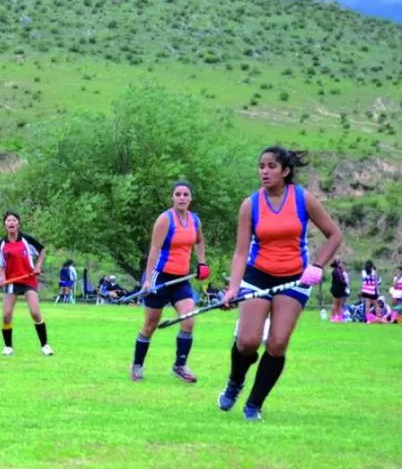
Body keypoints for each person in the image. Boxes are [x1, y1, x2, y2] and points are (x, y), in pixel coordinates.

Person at [218, 147, 342, 421]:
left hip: (295, 277)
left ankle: (254, 405)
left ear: (285, 171)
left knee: (277, 344)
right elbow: (240, 252)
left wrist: (317, 265)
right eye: (261, 165)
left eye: (271, 166)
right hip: (258, 274)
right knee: (248, 340)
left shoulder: (303, 199)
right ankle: (235, 381)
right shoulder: (250, 204)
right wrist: (232, 288)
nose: (264, 171)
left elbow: (334, 235)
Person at [130, 181, 210, 383]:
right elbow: (154, 251)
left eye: (186, 194)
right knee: (150, 325)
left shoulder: (195, 220)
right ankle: (137, 365)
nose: (182, 197)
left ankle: (180, 366)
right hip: (160, 277)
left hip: (181, 280)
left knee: (189, 320)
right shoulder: (165, 220)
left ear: (191, 198)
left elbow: (199, 242)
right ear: (172, 197)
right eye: (178, 194)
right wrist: (147, 280)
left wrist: (202, 263)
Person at [0, 211, 53, 356]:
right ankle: (8, 347)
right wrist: (2, 277)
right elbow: (1, 264)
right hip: (11, 282)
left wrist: (38, 266)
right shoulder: (1, 244)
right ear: (5, 224)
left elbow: (42, 250)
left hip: (28, 280)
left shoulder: (26, 240)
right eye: (8, 220)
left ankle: (45, 345)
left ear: (18, 223)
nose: (11, 223)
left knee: (35, 312)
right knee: (6, 315)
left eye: (14, 220)